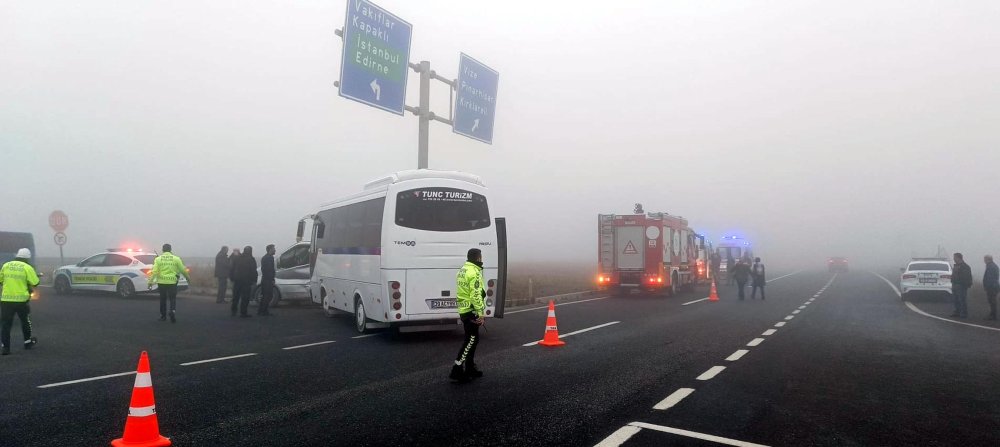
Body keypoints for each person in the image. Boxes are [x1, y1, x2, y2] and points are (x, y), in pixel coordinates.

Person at [450, 248, 486, 383]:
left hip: (464, 310)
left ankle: (470, 368)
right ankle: (457, 369)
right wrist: (480, 314)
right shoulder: (474, 272)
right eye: (481, 257)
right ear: (478, 258)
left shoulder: (462, 270)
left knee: (473, 340)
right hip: (471, 311)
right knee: (470, 341)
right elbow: (475, 295)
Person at [0, 248, 39, 355]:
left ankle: (5, 348)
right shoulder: (27, 267)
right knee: (25, 321)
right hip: (21, 301)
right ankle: (27, 342)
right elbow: (35, 282)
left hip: (6, 300)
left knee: (5, 324)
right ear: (27, 258)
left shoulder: (6, 265)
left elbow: (0, 280)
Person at [148, 244, 191, 323]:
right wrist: (188, 278)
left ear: (162, 250)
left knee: (163, 299)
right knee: (172, 298)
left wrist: (150, 282)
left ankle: (163, 316)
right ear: (171, 249)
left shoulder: (158, 259)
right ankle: (172, 311)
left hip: (161, 282)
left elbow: (154, 272)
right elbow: (183, 270)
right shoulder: (176, 259)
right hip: (172, 282)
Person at [231, 246, 257, 318]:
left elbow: (232, 268)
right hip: (246, 281)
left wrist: (232, 278)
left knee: (236, 296)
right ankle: (243, 312)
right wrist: (254, 280)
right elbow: (253, 271)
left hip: (237, 280)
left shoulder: (238, 258)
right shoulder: (251, 259)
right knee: (245, 297)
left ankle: (233, 311)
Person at [950, 253, 973, 319]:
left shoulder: (965, 266)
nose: (954, 259)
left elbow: (967, 277)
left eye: (954, 257)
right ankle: (957, 312)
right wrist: (952, 281)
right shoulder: (955, 266)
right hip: (955, 284)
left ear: (959, 258)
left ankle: (964, 313)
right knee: (955, 299)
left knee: (962, 299)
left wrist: (966, 284)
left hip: (961, 285)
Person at [258, 244, 276, 316]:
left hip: (265, 279)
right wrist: (271, 279)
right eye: (273, 249)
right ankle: (264, 311)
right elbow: (268, 270)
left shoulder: (266, 257)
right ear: (270, 249)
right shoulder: (269, 258)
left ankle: (261, 310)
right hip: (267, 280)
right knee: (268, 295)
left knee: (265, 295)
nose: (275, 250)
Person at [983, 255, 998, 320]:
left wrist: (987, 286)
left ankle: (993, 315)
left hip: (992, 287)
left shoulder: (991, 266)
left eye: (985, 259)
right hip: (993, 286)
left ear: (988, 259)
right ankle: (992, 314)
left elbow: (990, 278)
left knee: (992, 301)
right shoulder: (991, 266)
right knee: (992, 301)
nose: (984, 261)